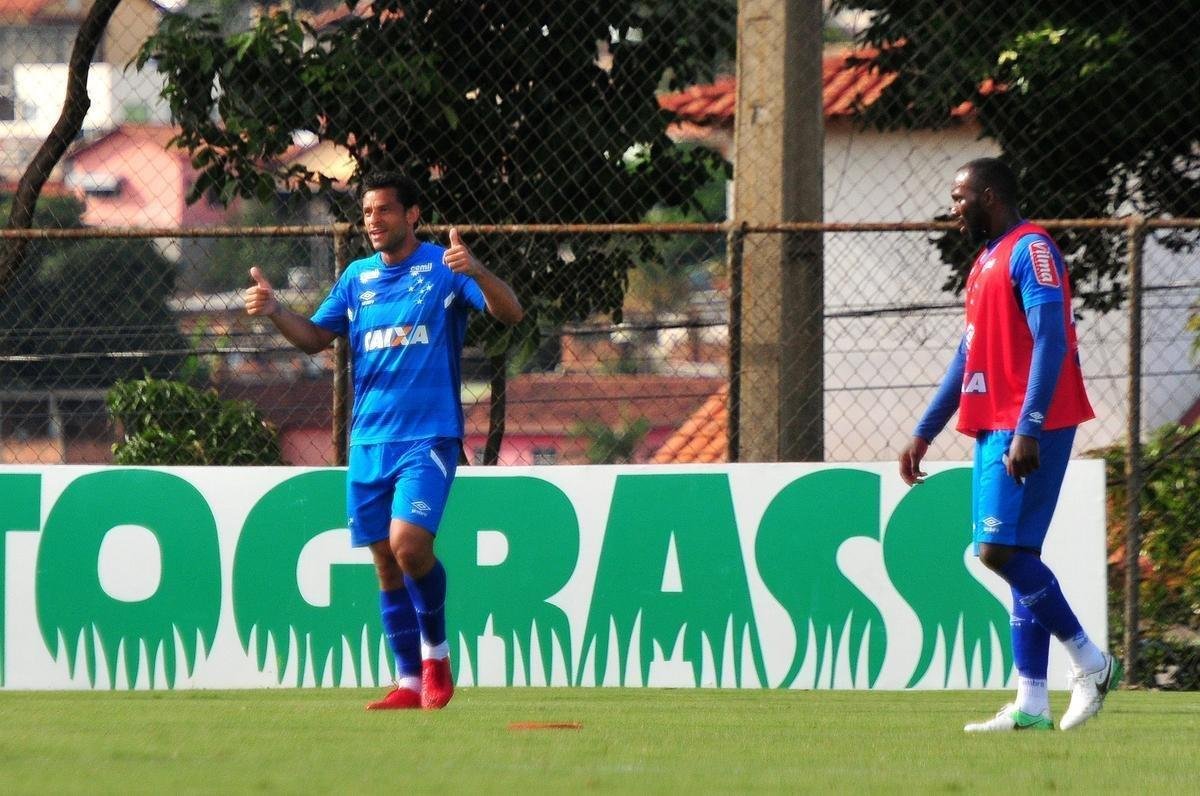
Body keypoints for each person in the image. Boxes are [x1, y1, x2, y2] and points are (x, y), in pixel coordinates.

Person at [244, 170, 523, 710]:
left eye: (384, 211)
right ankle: (407, 683)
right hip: (369, 440)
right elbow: (315, 340)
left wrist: (480, 270)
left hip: (429, 435)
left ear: (412, 214)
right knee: (384, 562)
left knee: (409, 544)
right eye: (367, 213)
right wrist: (277, 310)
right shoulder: (356, 278)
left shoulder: (443, 270)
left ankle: (436, 657)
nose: (373, 221)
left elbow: (509, 312)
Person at [898, 158, 1121, 732]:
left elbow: (1051, 338)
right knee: (1018, 553)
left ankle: (1090, 661)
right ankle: (1030, 701)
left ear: (990, 196)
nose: (953, 207)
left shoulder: (1032, 249)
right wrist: (925, 429)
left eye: (960, 196)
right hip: (995, 421)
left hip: (1029, 424)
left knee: (995, 552)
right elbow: (965, 356)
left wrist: (1030, 424)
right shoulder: (983, 264)